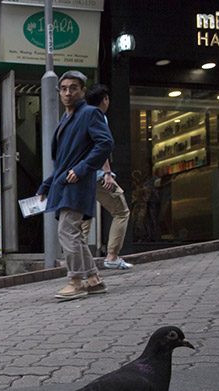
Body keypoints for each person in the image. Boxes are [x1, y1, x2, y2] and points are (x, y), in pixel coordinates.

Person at [38, 70, 114, 301]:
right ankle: (94, 280)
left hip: (78, 184)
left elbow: (105, 143)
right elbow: (64, 160)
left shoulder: (89, 113)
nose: (68, 93)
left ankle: (76, 282)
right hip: (65, 183)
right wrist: (46, 184)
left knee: (67, 231)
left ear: (82, 91)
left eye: (73, 88)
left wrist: (82, 169)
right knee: (75, 234)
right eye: (63, 88)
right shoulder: (66, 118)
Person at [79, 84, 133, 270]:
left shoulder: (78, 117)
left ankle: (81, 264)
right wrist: (107, 174)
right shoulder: (98, 117)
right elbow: (101, 147)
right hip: (97, 175)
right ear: (105, 100)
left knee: (84, 220)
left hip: (79, 176)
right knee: (121, 212)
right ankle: (112, 256)